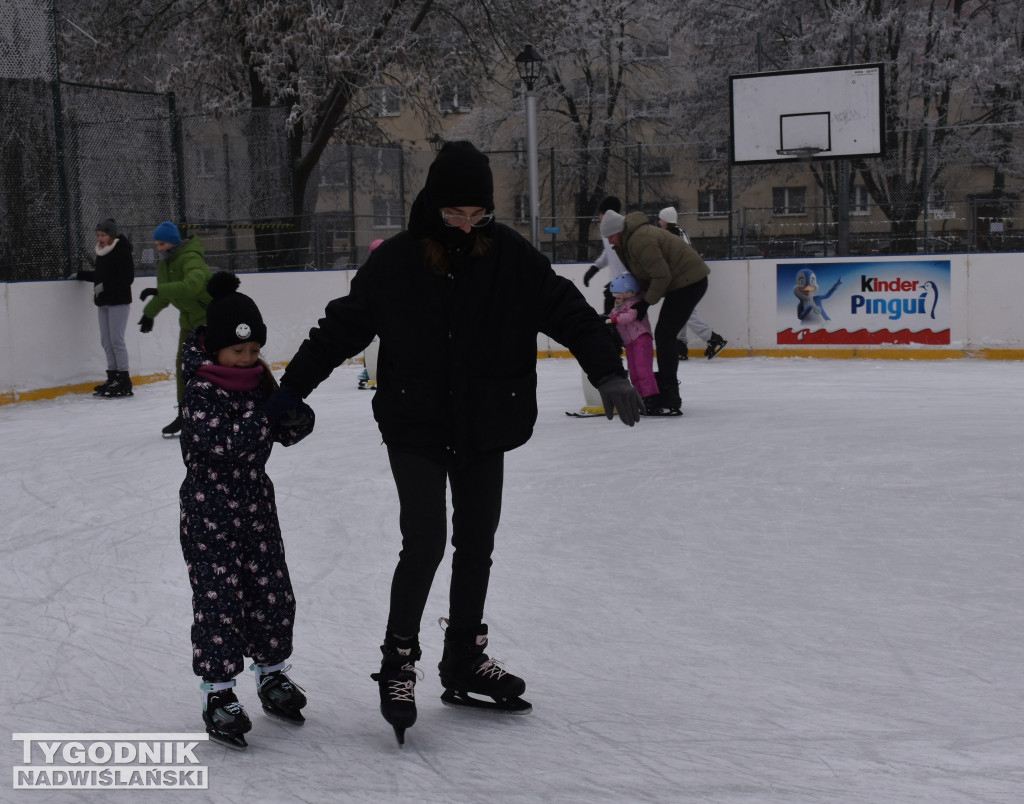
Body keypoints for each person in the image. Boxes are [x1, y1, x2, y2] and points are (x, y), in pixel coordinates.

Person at [267, 140, 640, 744]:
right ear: (433, 206)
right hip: (415, 423)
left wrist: (607, 370)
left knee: (476, 542)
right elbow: (339, 328)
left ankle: (463, 656)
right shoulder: (397, 263)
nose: (468, 225)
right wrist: (290, 392)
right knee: (425, 541)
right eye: (455, 215)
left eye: (478, 215)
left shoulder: (510, 256)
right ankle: (398, 663)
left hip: (485, 420)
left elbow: (567, 310)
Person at [178, 271, 315, 750]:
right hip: (209, 511)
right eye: (238, 352)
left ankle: (272, 675)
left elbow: (284, 431)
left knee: (272, 593)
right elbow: (226, 444)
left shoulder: (258, 382)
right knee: (220, 602)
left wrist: (294, 414)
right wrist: (267, 413)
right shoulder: (199, 391)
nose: (247, 359)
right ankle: (219, 694)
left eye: (254, 351)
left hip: (256, 507)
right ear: (216, 348)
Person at [599, 209, 710, 416]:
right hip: (679, 282)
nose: (611, 242)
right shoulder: (627, 242)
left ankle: (670, 396)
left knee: (665, 334)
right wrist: (622, 290)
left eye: (611, 237)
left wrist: (645, 303)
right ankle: (664, 392)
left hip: (690, 282)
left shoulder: (641, 240)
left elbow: (661, 276)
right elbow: (641, 274)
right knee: (665, 333)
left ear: (619, 232)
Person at [138, 221, 212, 437]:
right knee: (183, 366)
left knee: (208, 369)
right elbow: (168, 294)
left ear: (172, 242)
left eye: (161, 243)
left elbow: (192, 285)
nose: (158, 248)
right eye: (156, 244)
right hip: (189, 323)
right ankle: (185, 413)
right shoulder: (165, 263)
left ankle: (218, 410)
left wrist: (159, 289)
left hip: (209, 321)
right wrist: (148, 314)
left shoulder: (190, 258)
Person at [657, 207, 728, 361]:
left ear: (666, 220)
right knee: (681, 311)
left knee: (685, 312)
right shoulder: (680, 232)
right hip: (687, 278)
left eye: (661, 219)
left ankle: (712, 338)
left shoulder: (672, 235)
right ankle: (681, 346)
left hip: (685, 279)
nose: (658, 221)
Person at [76, 218, 135, 397]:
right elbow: (100, 275)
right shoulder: (101, 252)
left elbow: (127, 278)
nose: (100, 238)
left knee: (117, 340)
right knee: (106, 341)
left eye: (103, 235)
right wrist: (80, 275)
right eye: (98, 235)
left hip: (119, 301)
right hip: (104, 302)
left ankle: (123, 379)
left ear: (111, 235)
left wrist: (105, 286)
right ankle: (112, 376)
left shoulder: (122, 251)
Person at [606, 273, 658, 399]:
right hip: (629, 342)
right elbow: (610, 316)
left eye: (618, 296)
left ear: (629, 293)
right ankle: (639, 396)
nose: (616, 299)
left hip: (641, 339)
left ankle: (650, 396)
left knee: (642, 369)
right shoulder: (618, 307)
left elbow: (629, 317)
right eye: (614, 296)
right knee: (633, 371)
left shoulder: (635, 305)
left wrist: (613, 321)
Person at [583, 196, 630, 318]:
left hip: (627, 288)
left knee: (620, 322)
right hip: (615, 286)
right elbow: (608, 252)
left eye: (601, 213)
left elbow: (632, 261)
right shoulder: (607, 230)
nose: (599, 217)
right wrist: (595, 268)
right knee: (610, 321)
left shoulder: (623, 230)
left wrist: (618, 283)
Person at [357, 238, 385, 390]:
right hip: (373, 318)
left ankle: (373, 368)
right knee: (370, 343)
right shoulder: (368, 273)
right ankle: (369, 368)